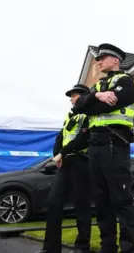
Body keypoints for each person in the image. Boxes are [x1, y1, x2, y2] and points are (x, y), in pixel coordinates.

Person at [73, 43, 134, 253]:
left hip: (115, 143)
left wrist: (92, 104)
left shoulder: (126, 81)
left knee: (121, 200)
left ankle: (128, 249)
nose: (99, 61)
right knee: (101, 201)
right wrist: (97, 96)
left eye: (103, 58)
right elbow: (78, 106)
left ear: (116, 60)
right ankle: (107, 248)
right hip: (95, 146)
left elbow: (97, 108)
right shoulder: (98, 87)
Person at [37, 84, 93, 253]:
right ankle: (51, 248)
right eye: (71, 96)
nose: (71, 99)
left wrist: (61, 153)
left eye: (74, 96)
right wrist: (58, 155)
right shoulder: (70, 116)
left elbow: (82, 140)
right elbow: (60, 137)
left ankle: (82, 246)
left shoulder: (89, 115)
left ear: (84, 96)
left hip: (81, 162)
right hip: (66, 163)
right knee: (54, 202)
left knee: (81, 205)